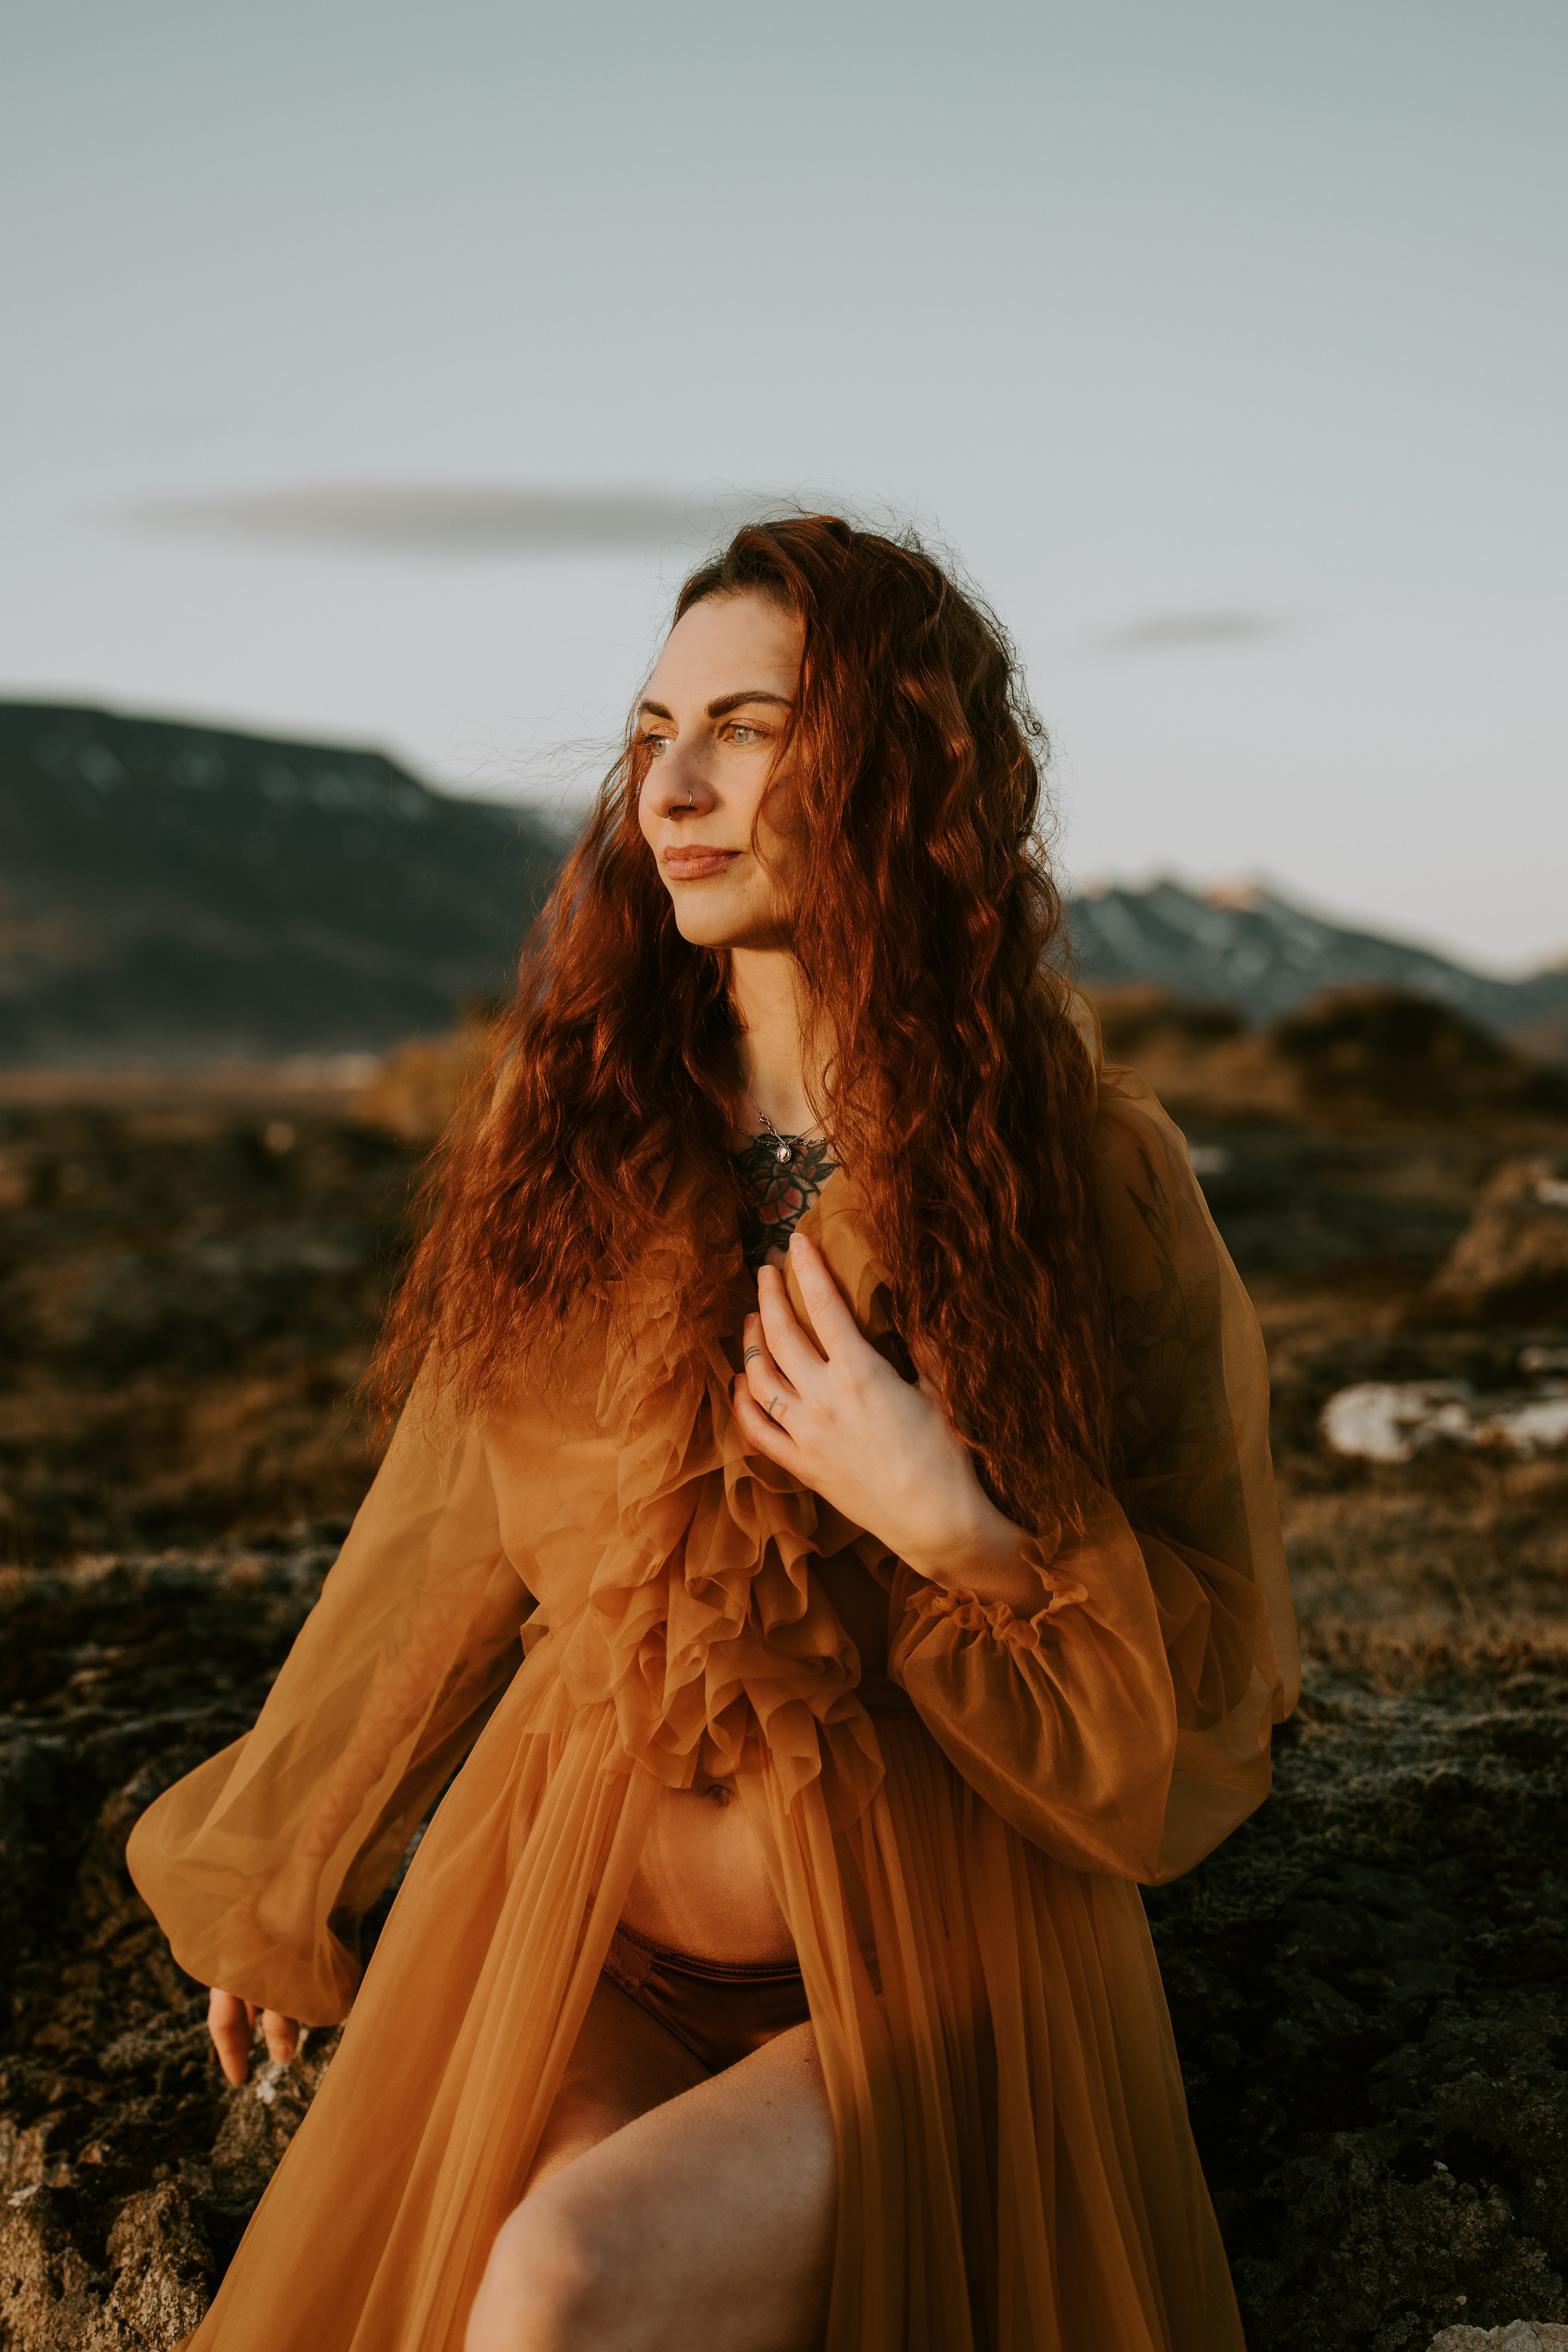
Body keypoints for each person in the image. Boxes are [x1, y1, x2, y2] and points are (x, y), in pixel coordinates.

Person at [128, 514, 1298, 2352]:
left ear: (896, 763)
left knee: (562, 2287)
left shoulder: (1084, 1170)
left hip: (928, 1960)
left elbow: (1214, 1696)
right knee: (485, 2280)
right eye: (654, 732)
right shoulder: (578, 1128)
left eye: (745, 730)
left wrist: (959, 1530)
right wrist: (287, 1874)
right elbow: (439, 1538)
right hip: (580, 1930)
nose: (673, 785)